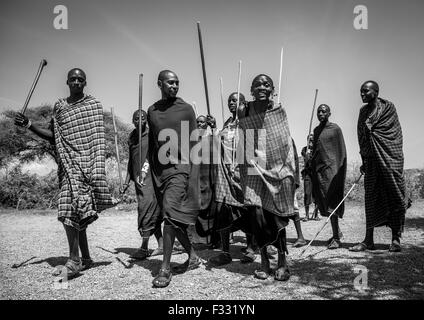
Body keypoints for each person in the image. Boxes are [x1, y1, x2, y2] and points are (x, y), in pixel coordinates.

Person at [14, 68, 114, 277]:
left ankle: (78, 259)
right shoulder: (60, 106)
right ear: (67, 82)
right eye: (73, 79)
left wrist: (96, 168)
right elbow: (54, 135)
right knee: (69, 206)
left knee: (75, 208)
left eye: (80, 79)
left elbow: (97, 139)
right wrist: (29, 125)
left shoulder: (93, 105)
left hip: (88, 165)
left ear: (85, 83)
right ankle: (79, 258)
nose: (76, 82)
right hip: (68, 165)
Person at [238, 74, 297, 281]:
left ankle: (282, 261)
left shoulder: (277, 111)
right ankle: (263, 260)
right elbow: (243, 140)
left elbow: (284, 144)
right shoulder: (243, 110)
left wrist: (286, 171)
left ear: (272, 89)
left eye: (266, 84)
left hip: (276, 169)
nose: (262, 87)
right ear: (251, 89)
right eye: (257, 84)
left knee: (276, 216)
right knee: (257, 215)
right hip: (253, 166)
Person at [147, 70, 201, 288]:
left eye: (177, 82)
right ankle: (193, 256)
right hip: (160, 171)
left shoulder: (186, 109)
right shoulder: (152, 111)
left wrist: (195, 173)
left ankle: (165, 268)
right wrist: (146, 169)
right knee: (173, 216)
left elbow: (195, 141)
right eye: (170, 82)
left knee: (170, 214)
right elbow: (152, 143)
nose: (174, 86)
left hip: (181, 167)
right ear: (160, 83)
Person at [349, 81, 408, 253]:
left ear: (375, 92)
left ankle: (396, 239)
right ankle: (368, 240)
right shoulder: (363, 112)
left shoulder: (388, 108)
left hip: (390, 158)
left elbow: (394, 135)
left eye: (365, 91)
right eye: (360, 91)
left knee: (395, 196)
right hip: (372, 160)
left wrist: (385, 152)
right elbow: (362, 136)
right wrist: (364, 160)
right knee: (370, 198)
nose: (362, 94)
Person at [209, 92, 257, 266]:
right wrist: (214, 128)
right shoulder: (227, 124)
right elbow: (218, 145)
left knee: (248, 208)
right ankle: (225, 252)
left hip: (243, 173)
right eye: (230, 100)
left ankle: (251, 248)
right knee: (223, 209)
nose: (232, 103)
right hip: (226, 172)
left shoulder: (248, 123)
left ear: (244, 104)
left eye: (236, 100)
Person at [121, 109, 163, 260]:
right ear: (133, 121)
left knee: (146, 209)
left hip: (150, 177)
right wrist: (126, 181)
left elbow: (155, 156)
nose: (140, 120)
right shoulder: (132, 137)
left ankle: (144, 248)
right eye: (136, 118)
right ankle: (162, 245)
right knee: (151, 211)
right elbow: (131, 161)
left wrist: (145, 172)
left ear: (147, 120)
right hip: (138, 180)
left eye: (143, 118)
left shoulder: (152, 135)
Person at [310, 104, 347, 249]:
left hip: (333, 169)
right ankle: (336, 232)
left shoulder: (335, 129)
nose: (320, 113)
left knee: (333, 200)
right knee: (324, 200)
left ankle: (337, 238)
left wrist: (339, 170)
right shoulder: (316, 130)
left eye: (323, 111)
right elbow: (317, 151)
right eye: (318, 111)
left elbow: (341, 151)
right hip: (320, 171)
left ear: (329, 113)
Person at [301, 135, 319, 221]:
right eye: (309, 140)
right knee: (307, 193)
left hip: (316, 174)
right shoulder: (304, 150)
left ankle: (316, 215)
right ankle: (307, 215)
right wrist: (307, 154)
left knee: (316, 194)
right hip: (307, 174)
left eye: (312, 140)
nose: (311, 142)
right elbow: (306, 160)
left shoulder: (317, 150)